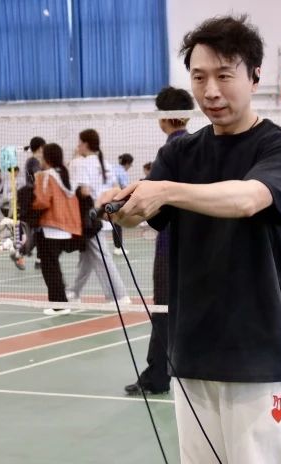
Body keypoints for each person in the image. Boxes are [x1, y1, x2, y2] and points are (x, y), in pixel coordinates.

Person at [103, 15, 281, 464]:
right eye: (199, 77)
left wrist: (163, 191)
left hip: (260, 353)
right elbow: (151, 210)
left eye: (224, 75)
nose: (211, 90)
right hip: (193, 352)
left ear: (253, 75)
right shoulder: (181, 152)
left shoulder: (280, 148)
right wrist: (126, 203)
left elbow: (247, 200)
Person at [124, 85, 195, 398]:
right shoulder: (198, 146)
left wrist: (119, 208)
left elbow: (149, 202)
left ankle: (157, 376)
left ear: (163, 117)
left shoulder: (170, 151)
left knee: (163, 310)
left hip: (169, 245)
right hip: (195, 244)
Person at [70, 129, 128, 303]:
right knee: (87, 256)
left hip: (91, 216)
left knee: (101, 255)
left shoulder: (82, 164)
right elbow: (116, 188)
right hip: (105, 214)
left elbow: (85, 191)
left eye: (79, 142)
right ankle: (73, 292)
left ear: (85, 144)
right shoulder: (106, 164)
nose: (77, 145)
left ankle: (119, 295)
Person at [32, 143, 83, 316]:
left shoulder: (44, 176)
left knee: (50, 268)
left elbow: (42, 201)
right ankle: (61, 299)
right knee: (54, 267)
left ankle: (59, 305)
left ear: (47, 158)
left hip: (50, 227)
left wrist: (29, 205)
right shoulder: (66, 175)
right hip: (67, 229)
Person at [12, 136, 47, 270]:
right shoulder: (34, 161)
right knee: (37, 230)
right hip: (35, 198)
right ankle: (20, 253)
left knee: (40, 230)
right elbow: (38, 178)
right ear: (40, 148)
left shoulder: (32, 161)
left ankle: (38, 259)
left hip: (34, 197)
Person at [111, 153, 135, 254]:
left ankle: (117, 247)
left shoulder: (113, 168)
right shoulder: (122, 172)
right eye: (131, 164)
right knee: (117, 223)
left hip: (106, 198)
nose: (130, 167)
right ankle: (118, 248)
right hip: (116, 200)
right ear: (128, 163)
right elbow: (125, 189)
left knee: (114, 223)